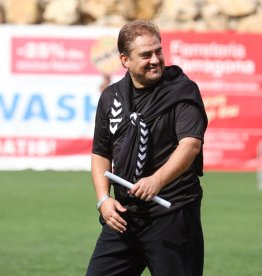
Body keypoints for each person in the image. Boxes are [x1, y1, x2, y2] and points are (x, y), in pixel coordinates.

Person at [86, 20, 208, 276]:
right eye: (146, 54)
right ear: (125, 60)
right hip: (123, 216)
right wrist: (103, 199)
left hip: (172, 214)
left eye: (158, 51)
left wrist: (157, 180)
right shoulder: (111, 97)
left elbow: (190, 145)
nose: (156, 59)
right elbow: (100, 153)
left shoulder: (182, 91)